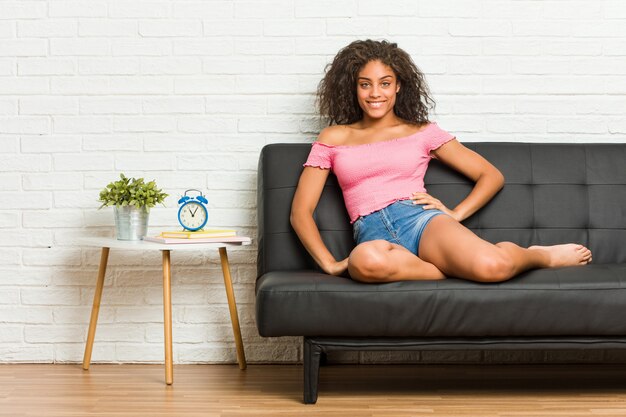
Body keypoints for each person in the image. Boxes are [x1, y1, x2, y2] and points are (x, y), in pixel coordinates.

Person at [290, 39, 592, 284]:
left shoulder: (422, 132)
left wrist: (456, 213)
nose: (375, 93)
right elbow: (301, 212)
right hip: (372, 235)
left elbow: (490, 175)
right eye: (365, 84)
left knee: (492, 266)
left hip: (420, 220)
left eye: (385, 83)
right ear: (353, 88)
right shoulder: (334, 137)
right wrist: (328, 263)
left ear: (398, 86)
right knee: (363, 262)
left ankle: (540, 256)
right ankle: (450, 270)